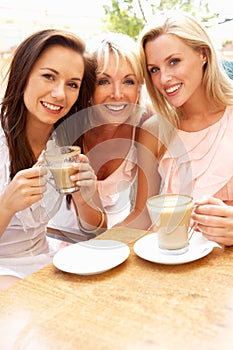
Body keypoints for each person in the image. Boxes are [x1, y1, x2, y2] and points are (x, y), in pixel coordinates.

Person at [121, 13, 233, 246]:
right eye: (154, 69)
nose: (164, 78)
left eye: (174, 62)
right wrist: (95, 246)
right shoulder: (154, 131)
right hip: (170, 265)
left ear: (203, 54)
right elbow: (143, 216)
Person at [0, 28, 97, 290]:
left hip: (47, 263)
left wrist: (86, 197)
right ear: (23, 75)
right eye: (48, 77)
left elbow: (96, 231)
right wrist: (6, 206)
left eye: (72, 84)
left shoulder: (65, 144)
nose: (59, 94)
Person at [48, 32, 149, 234]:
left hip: (117, 237)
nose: (117, 94)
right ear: (87, 87)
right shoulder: (63, 124)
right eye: (103, 81)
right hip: (57, 241)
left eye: (128, 81)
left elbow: (144, 212)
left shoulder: (145, 124)